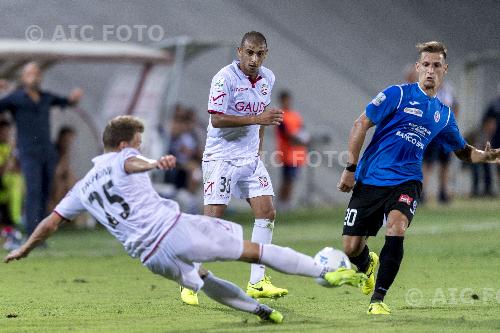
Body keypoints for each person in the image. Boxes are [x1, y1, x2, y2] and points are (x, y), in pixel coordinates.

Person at [4, 115, 366, 324]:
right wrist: (152, 163)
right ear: (123, 144)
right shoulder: (125, 159)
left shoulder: (82, 187)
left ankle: (259, 310)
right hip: (173, 231)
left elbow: (51, 222)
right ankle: (325, 271)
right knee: (252, 251)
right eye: (138, 142)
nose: (140, 147)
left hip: (149, 257)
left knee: (203, 277)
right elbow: (132, 163)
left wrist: (25, 248)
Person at [336, 41, 500, 315]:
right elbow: (360, 124)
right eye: (426, 64)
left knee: (396, 227)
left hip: (407, 181)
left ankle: (378, 299)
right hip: (371, 178)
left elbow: (461, 151)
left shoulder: (444, 115)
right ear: (417, 68)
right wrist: (350, 168)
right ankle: (367, 265)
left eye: (436, 65)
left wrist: (488, 156)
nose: (430, 70)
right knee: (351, 247)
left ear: (444, 70)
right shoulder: (396, 95)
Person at [179, 31, 286, 306]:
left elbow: (262, 120)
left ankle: (258, 281)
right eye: (249, 52)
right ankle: (189, 278)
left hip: (250, 158)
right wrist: (256, 118)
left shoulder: (268, 78)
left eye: (259, 53)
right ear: (239, 51)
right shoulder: (223, 78)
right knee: (213, 222)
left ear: (266, 54)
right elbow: (216, 120)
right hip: (221, 157)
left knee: (267, 212)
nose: (254, 58)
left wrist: (259, 151)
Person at [0, 62, 83, 236]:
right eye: (30, 73)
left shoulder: (46, 97)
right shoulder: (15, 98)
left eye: (37, 73)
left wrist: (73, 99)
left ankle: (43, 233)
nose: (35, 76)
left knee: (46, 192)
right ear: (23, 77)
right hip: (28, 152)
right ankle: (32, 233)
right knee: (33, 191)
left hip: (47, 151)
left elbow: (66, 102)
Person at [405, 65, 460, 203]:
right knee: (427, 163)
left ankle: (443, 192)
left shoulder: (448, 89)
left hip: (444, 133)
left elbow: (455, 106)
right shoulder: (423, 90)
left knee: (445, 163)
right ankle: (422, 193)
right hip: (430, 132)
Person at [275, 90, 310, 211]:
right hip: (287, 153)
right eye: (285, 99)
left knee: (292, 179)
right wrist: (300, 141)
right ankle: (282, 203)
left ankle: (286, 202)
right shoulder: (280, 116)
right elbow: (286, 135)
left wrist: (304, 139)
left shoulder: (295, 115)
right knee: (287, 180)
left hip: (298, 153)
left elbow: (302, 130)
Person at [0, 118, 24, 250]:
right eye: (3, 132)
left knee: (17, 180)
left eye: (7, 132)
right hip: (3, 187)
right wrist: (9, 156)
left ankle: (12, 232)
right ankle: (14, 227)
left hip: (8, 189)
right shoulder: (7, 149)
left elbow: (18, 168)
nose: (6, 135)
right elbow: (2, 171)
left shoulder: (11, 147)